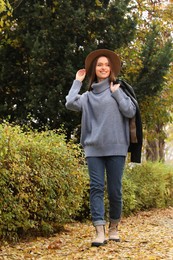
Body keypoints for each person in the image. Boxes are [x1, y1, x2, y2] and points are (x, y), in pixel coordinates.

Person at [65, 49, 141, 247]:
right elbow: (70, 103)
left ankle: (114, 227)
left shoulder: (119, 89)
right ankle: (100, 231)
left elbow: (130, 110)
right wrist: (77, 82)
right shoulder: (88, 97)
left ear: (111, 68)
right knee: (96, 189)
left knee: (115, 190)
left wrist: (117, 94)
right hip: (93, 149)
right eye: (100, 65)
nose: (104, 67)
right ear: (94, 69)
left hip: (117, 147)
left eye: (107, 65)